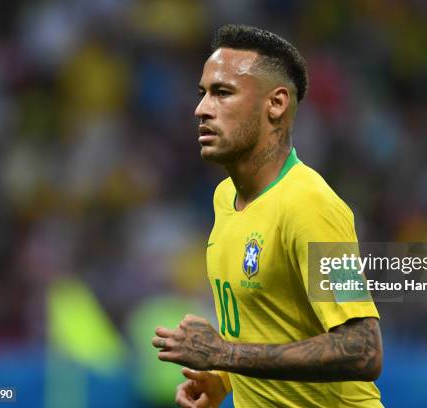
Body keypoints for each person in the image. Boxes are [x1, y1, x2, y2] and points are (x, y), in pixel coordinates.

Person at [152, 24, 383, 408]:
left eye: (222, 93)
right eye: (202, 93)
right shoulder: (225, 197)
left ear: (275, 104)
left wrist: (223, 355)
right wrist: (223, 380)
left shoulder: (312, 206)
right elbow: (264, 323)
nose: (201, 108)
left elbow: (363, 347)